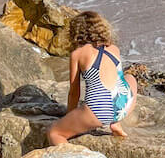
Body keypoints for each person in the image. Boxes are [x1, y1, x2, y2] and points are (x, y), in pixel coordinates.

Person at [47, 11, 138, 144]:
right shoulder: (114, 48)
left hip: (99, 111)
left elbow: (74, 92)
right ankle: (116, 123)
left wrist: (70, 117)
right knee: (130, 78)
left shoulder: (78, 54)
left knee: (54, 132)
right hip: (124, 106)